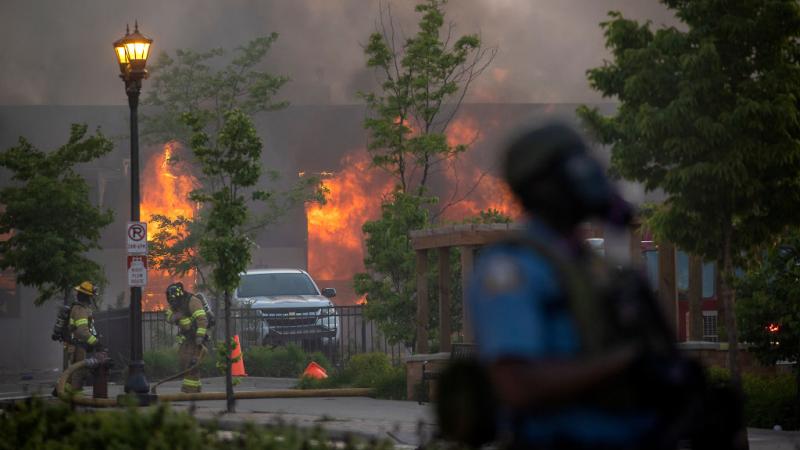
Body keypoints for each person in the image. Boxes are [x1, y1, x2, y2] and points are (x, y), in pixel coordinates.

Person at [465, 123, 697, 449]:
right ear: (544, 185)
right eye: (577, 166)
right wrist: (627, 363)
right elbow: (515, 386)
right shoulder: (512, 269)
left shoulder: (591, 265)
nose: (592, 175)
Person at [165, 282, 209, 393]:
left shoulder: (192, 302)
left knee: (191, 363)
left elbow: (202, 319)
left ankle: (189, 389)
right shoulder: (177, 304)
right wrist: (174, 317)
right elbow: (167, 315)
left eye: (173, 300)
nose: (172, 303)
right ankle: (196, 388)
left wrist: (199, 337)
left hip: (196, 337)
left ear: (179, 296)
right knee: (185, 360)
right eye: (170, 301)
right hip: (187, 337)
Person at [68, 281, 102, 391]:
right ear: (87, 296)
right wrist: (95, 342)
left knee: (75, 372)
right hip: (78, 346)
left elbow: (88, 327)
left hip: (80, 345)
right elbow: (82, 331)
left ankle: (69, 394)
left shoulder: (83, 309)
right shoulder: (80, 309)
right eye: (91, 296)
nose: (92, 299)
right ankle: (74, 397)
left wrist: (95, 336)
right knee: (78, 372)